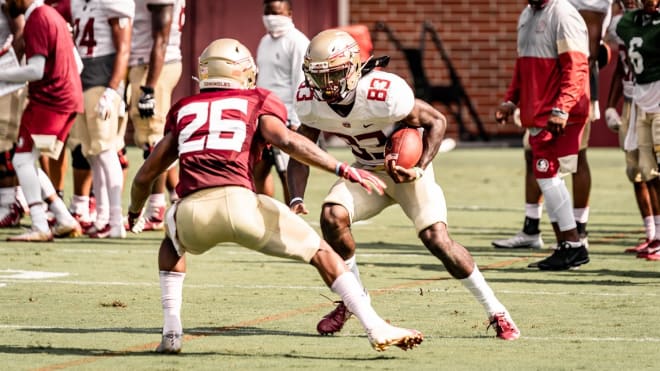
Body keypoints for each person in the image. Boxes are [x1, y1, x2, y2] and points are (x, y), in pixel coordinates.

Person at [127, 38, 424, 354]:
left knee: (171, 243)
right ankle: (375, 326)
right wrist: (342, 169)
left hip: (192, 212)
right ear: (245, 72)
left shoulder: (184, 107)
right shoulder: (257, 99)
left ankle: (171, 331)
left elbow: (145, 176)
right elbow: (288, 141)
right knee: (322, 253)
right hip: (242, 206)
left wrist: (134, 212)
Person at [287, 30, 520, 340]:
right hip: (368, 172)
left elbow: (436, 121)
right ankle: (354, 300)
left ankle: (497, 310)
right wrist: (296, 197)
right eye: (319, 77)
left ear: (353, 67)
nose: (326, 86)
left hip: (406, 173)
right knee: (332, 216)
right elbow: (301, 149)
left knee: (437, 239)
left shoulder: (382, 92)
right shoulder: (311, 104)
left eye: (334, 74)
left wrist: (419, 168)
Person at [491, 1, 610, 251]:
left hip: (559, 113)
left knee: (555, 173)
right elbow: (522, 64)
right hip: (539, 110)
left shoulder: (565, 14)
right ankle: (567, 245)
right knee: (549, 177)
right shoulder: (527, 14)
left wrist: (562, 108)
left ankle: (574, 241)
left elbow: (577, 67)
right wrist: (511, 100)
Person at [0, 0, 83, 241]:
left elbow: (36, 70)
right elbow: (76, 65)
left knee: (22, 159)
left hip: (51, 100)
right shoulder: (50, 14)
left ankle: (40, 224)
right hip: (64, 97)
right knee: (27, 160)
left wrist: (2, 75)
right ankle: (62, 216)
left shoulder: (37, 18)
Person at [69, 0, 134, 238]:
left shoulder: (113, 2)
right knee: (93, 153)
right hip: (83, 81)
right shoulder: (78, 3)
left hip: (103, 81)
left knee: (106, 151)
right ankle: (102, 216)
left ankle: (116, 221)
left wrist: (112, 88)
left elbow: (124, 48)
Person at [128, 0, 184, 231]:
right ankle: (175, 196)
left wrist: (149, 89)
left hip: (154, 66)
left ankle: (155, 209)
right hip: (150, 63)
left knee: (154, 141)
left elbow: (160, 38)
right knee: (155, 137)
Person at [604, 0, 656, 253]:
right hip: (631, 101)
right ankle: (652, 234)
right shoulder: (621, 24)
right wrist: (609, 105)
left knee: (654, 170)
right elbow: (619, 67)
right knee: (636, 170)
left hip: (654, 100)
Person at [254, 0, 309, 202]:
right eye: (268, 12)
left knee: (286, 171)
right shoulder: (264, 42)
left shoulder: (298, 42)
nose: (271, 17)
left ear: (289, 13)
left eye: (276, 12)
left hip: (285, 116)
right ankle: (265, 213)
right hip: (263, 114)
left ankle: (292, 216)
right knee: (258, 169)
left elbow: (301, 82)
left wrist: (295, 119)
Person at [0, 0, 26, 228]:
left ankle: (10, 204)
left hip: (6, 81)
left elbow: (20, 33)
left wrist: (10, 71)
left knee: (4, 144)